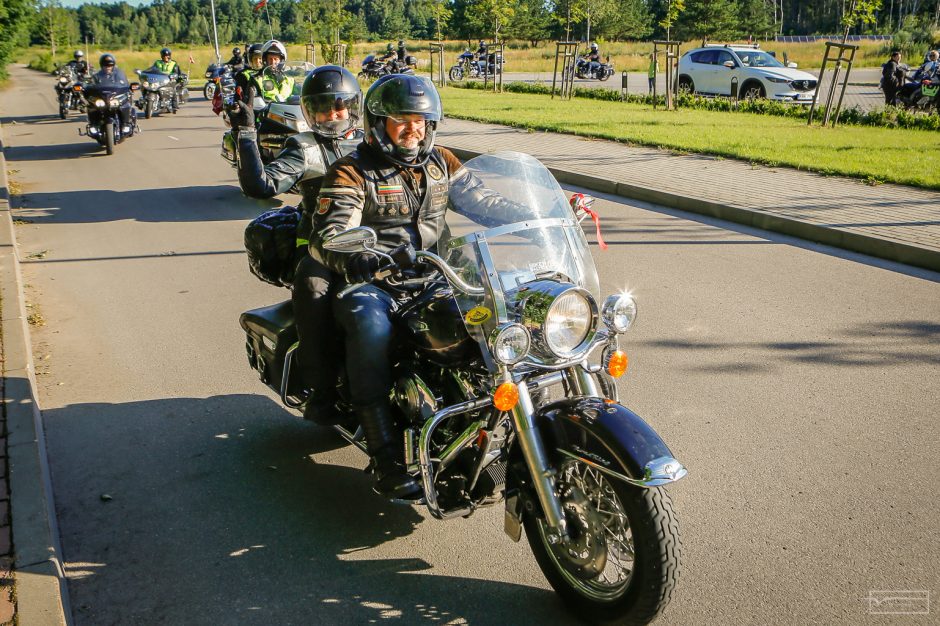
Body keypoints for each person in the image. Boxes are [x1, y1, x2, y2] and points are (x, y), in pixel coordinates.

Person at [312, 75, 464, 499]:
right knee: (370, 331)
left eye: (420, 120)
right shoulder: (351, 170)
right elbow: (329, 232)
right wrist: (354, 255)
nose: (413, 129)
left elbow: (483, 197)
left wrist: (551, 207)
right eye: (402, 120)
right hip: (373, 281)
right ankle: (386, 459)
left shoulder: (441, 163)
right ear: (379, 123)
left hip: (433, 276)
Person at [228, 67, 365, 423]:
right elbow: (261, 186)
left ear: (353, 106)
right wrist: (245, 133)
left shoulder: (374, 143)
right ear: (309, 112)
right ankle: (321, 390)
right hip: (321, 248)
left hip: (373, 245)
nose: (332, 115)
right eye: (321, 108)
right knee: (315, 288)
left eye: (338, 106)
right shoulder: (304, 149)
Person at [90, 54, 136, 132]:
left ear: (113, 65)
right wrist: (86, 88)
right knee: (91, 107)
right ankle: (94, 124)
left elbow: (125, 84)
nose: (108, 67)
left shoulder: (118, 74)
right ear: (102, 65)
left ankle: (126, 123)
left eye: (110, 65)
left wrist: (129, 88)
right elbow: (91, 85)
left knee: (125, 105)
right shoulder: (97, 76)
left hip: (114, 97)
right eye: (105, 65)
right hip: (103, 98)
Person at [249, 39, 294, 104]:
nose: (273, 62)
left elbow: (299, 96)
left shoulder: (289, 79)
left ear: (281, 60)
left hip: (290, 112)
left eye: (276, 59)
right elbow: (251, 103)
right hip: (268, 112)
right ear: (265, 60)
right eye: (270, 59)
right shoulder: (257, 79)